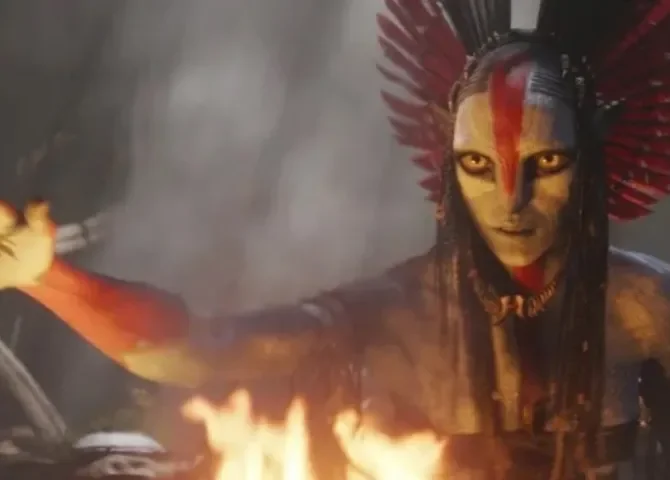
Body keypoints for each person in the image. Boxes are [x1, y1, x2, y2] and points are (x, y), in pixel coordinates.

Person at [0, 0, 669, 478]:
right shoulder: (406, 308)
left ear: (592, 160)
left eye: (545, 163)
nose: (510, 200)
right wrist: (47, 277)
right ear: (450, 166)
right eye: (478, 165)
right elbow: (200, 348)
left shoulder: (646, 304)